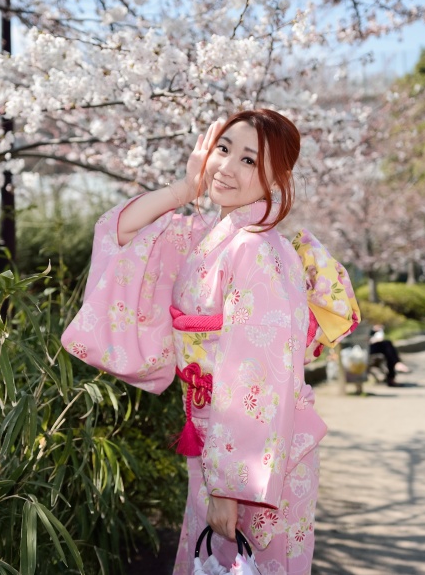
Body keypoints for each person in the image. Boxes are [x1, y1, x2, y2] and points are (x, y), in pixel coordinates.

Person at [61, 110, 360, 574]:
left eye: (249, 160)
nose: (228, 167)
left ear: (277, 178)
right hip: (217, 444)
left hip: (258, 462)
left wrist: (229, 488)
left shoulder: (257, 247)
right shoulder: (212, 236)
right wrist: (185, 190)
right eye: (224, 150)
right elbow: (119, 232)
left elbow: (255, 374)